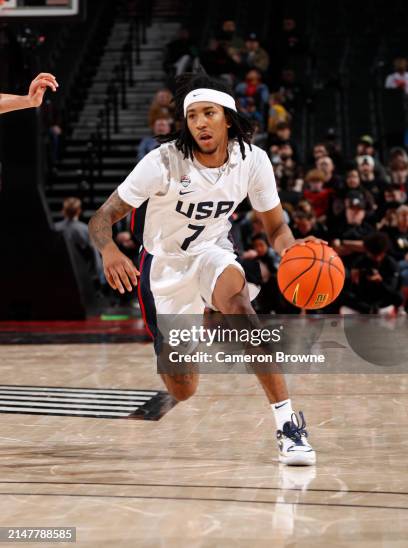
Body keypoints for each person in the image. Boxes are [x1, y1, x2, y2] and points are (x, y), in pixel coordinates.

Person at [89, 72, 326, 466]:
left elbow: (276, 227)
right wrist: (109, 250)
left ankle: (288, 425)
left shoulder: (252, 160)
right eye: (193, 115)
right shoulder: (162, 162)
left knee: (241, 307)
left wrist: (292, 250)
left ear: (227, 117)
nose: (200, 122)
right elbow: (101, 218)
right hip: (164, 268)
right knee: (183, 389)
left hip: (211, 251)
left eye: (208, 113)